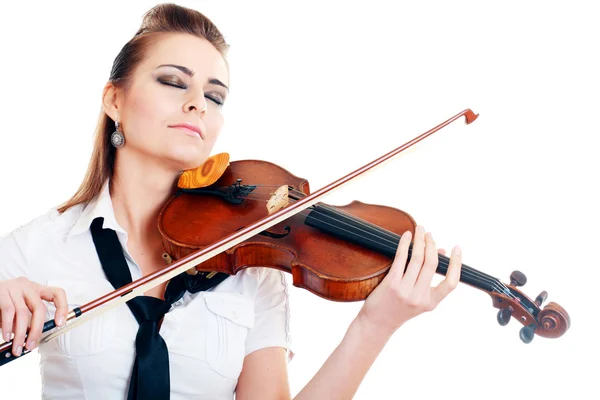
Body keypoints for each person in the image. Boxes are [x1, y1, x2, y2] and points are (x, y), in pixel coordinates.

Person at [0, 3, 462, 399]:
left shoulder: (251, 263)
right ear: (114, 100)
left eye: (215, 95)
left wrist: (374, 325)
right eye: (173, 82)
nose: (199, 103)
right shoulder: (34, 249)